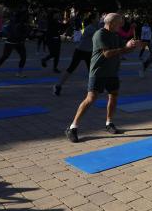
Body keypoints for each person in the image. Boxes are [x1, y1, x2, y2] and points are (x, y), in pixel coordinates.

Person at [65, 13, 141, 143]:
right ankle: (72, 127)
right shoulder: (100, 34)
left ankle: (109, 123)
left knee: (113, 96)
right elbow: (107, 53)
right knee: (91, 98)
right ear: (111, 23)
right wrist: (125, 48)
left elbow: (123, 49)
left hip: (112, 72)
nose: (121, 26)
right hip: (98, 72)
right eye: (119, 23)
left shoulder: (115, 35)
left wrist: (132, 45)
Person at [54, 13, 99, 96]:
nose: (99, 19)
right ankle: (58, 85)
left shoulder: (95, 27)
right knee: (71, 68)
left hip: (88, 52)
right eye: (97, 17)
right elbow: (99, 35)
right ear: (93, 20)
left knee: (92, 71)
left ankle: (92, 88)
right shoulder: (90, 28)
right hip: (80, 51)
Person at [0, 7, 29, 78]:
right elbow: (8, 30)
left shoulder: (23, 22)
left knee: (23, 57)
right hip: (11, 41)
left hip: (19, 42)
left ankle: (19, 73)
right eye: (25, 14)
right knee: (5, 56)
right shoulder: (13, 21)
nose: (27, 16)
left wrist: (26, 35)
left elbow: (24, 33)